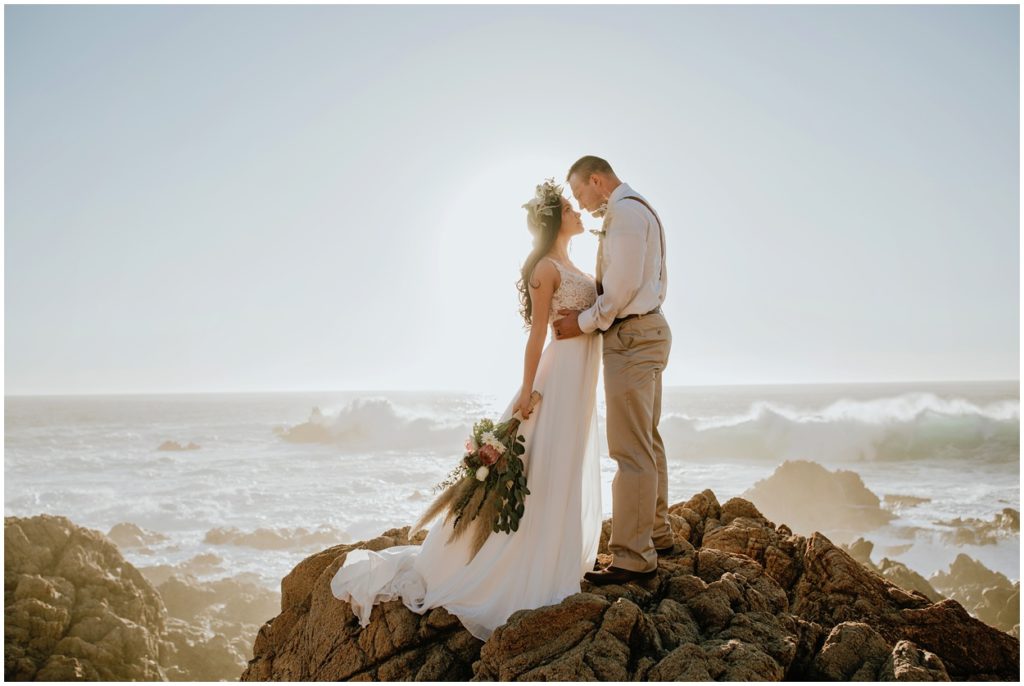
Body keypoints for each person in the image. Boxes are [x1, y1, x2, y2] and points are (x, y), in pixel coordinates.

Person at [330, 179, 603, 641]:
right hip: (555, 382)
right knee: (546, 465)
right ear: (556, 218)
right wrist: (526, 389)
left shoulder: (573, 261)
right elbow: (537, 334)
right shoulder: (545, 267)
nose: (580, 212)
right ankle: (526, 566)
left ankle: (555, 554)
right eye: (572, 208)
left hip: (579, 381)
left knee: (565, 463)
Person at [552, 155, 675, 586]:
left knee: (629, 449)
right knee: (647, 439)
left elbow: (620, 290)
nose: (581, 205)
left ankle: (633, 557)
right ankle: (657, 533)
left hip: (633, 338)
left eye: (581, 192)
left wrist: (581, 323)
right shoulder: (640, 207)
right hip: (650, 331)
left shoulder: (624, 212)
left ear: (597, 180)